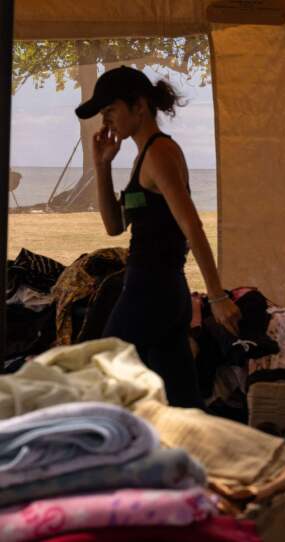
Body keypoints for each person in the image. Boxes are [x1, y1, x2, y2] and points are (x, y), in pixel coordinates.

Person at [75, 66, 241, 408]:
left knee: (101, 378)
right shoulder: (143, 155)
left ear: (139, 105)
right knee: (180, 400)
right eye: (103, 115)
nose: (106, 122)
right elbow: (114, 226)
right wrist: (102, 166)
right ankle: (197, 455)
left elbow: (191, 226)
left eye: (110, 111)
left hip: (151, 291)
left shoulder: (159, 153)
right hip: (162, 293)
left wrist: (216, 295)